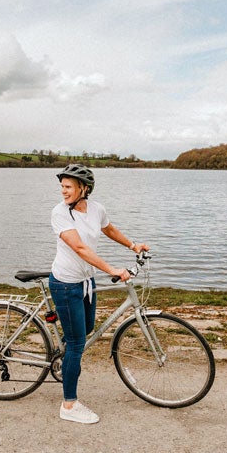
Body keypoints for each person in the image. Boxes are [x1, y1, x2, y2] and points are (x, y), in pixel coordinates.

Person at [48, 163, 148, 424]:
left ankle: (67, 358)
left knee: (85, 330)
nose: (63, 191)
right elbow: (80, 248)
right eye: (62, 186)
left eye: (68, 187)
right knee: (78, 343)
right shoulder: (59, 213)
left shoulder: (96, 209)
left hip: (85, 281)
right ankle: (69, 405)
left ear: (84, 188)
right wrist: (112, 268)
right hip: (66, 283)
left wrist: (133, 245)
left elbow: (108, 228)